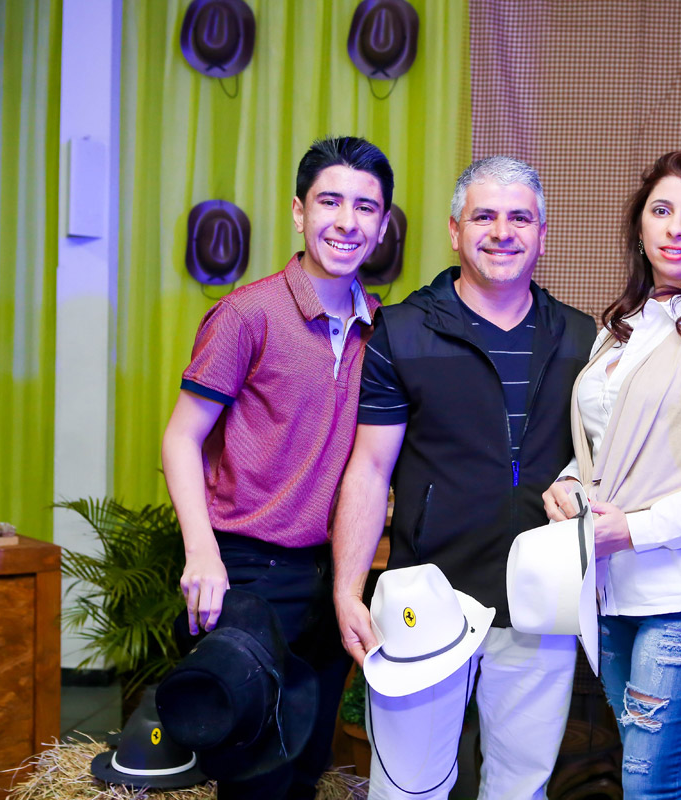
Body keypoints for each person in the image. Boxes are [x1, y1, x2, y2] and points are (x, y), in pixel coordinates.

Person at [331, 156, 596, 800]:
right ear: (454, 230)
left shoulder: (580, 335)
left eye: (520, 218)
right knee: (408, 789)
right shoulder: (403, 330)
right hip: (427, 594)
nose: (502, 232)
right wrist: (347, 588)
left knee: (520, 789)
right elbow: (369, 468)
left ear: (542, 233)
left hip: (540, 601)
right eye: (484, 217)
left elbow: (598, 459)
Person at [162, 136, 395, 799]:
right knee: (254, 777)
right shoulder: (247, 314)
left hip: (332, 576)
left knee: (306, 769)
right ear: (298, 212)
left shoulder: (382, 327)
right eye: (329, 202)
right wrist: (201, 552)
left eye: (365, 207)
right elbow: (181, 438)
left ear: (382, 226)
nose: (346, 222)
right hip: (248, 573)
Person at [543, 151, 681, 799]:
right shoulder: (619, 330)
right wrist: (569, 483)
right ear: (639, 227)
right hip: (614, 593)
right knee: (641, 778)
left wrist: (631, 530)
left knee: (651, 785)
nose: (675, 228)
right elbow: (603, 449)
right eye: (662, 210)